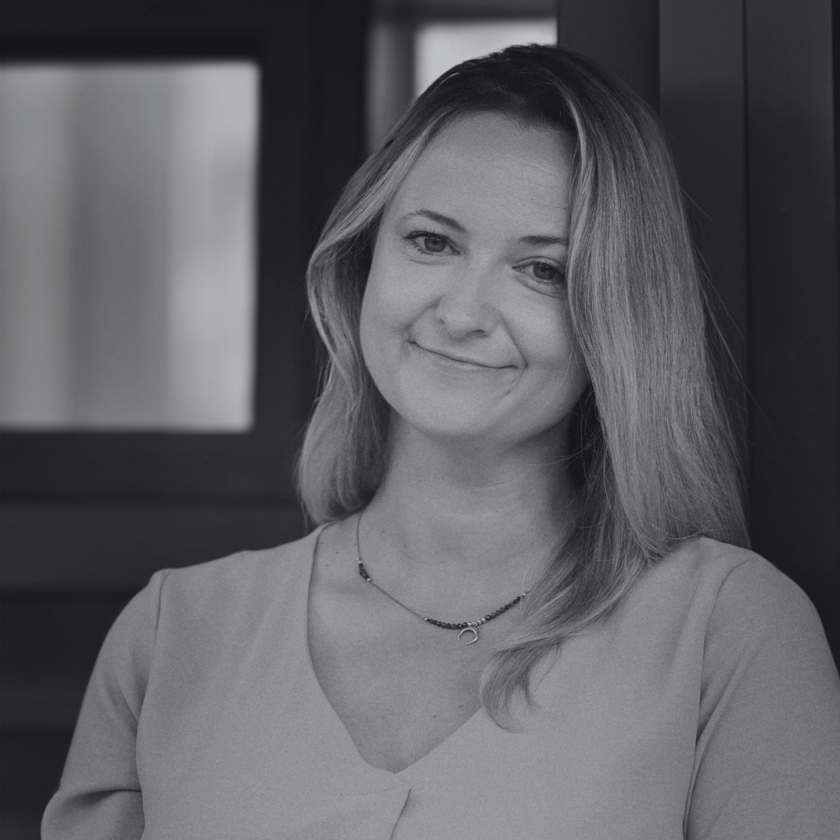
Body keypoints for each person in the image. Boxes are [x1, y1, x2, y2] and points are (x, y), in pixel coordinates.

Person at [43, 45, 840, 839]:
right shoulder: (172, 634)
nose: (462, 314)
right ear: (363, 262)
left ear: (619, 318)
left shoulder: (728, 629)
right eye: (432, 242)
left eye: (543, 270)